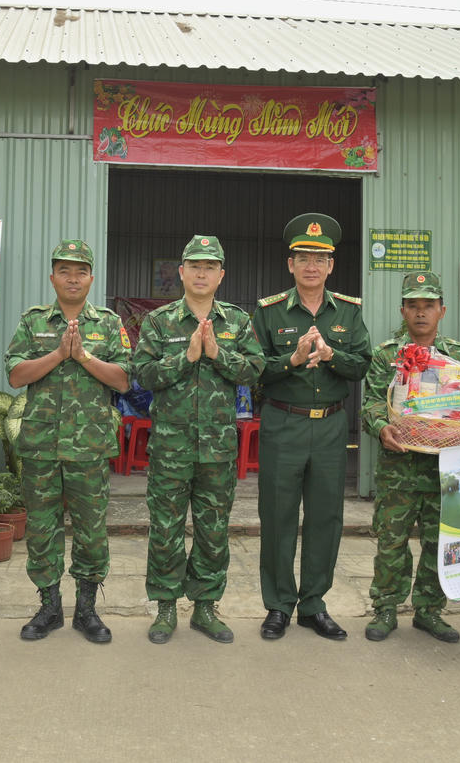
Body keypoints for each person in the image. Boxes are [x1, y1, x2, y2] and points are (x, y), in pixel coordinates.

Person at [132, 234, 264, 644]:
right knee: (167, 529)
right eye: (195, 265)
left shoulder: (238, 322)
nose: (202, 272)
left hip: (218, 449)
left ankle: (205, 607)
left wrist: (217, 354)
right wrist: (186, 356)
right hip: (171, 447)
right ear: (181, 272)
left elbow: (255, 370)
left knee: (212, 530)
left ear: (221, 275)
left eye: (210, 266)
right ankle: (166, 606)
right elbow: (143, 376)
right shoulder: (159, 322)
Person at [250, 213, 371, 641]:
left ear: (332, 265)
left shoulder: (350, 313)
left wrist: (331, 354)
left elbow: (362, 367)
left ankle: (314, 604)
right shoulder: (268, 312)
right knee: (278, 517)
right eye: (303, 257)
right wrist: (294, 360)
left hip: (332, 427)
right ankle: (279, 605)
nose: (311, 266)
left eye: (320, 258)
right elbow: (253, 371)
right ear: (290, 264)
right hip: (284, 423)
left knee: (325, 517)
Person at [6, 239, 131, 643]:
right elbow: (15, 375)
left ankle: (87, 609)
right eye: (64, 271)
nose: (72, 278)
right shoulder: (33, 321)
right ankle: (49, 606)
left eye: (80, 271)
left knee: (91, 530)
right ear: (52, 277)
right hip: (41, 445)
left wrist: (84, 358)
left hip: (89, 446)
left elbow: (125, 380)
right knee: (42, 529)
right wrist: (59, 355)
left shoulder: (109, 324)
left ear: (91, 278)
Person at [360, 271, 460, 644]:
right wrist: (382, 427)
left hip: (444, 467)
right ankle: (385, 607)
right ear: (402, 310)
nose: (420, 313)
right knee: (391, 539)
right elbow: (369, 404)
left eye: (428, 305)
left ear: (441, 310)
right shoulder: (387, 355)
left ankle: (430, 609)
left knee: (439, 540)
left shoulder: (459, 356)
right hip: (399, 467)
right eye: (413, 305)